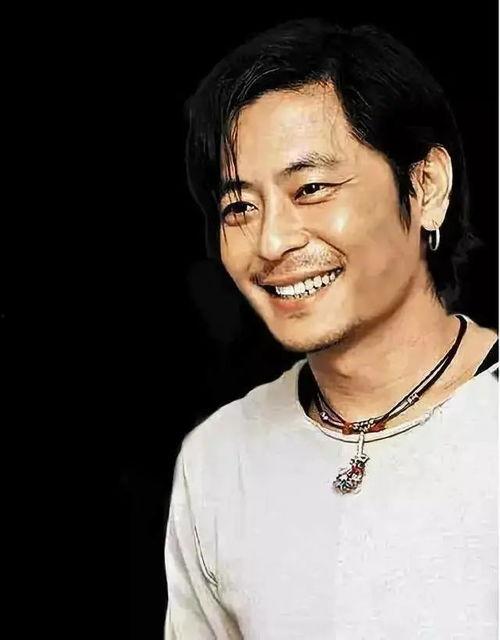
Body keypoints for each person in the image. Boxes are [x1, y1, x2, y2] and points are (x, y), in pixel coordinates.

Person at [164, 18, 498, 639]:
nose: (271, 241)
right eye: (240, 206)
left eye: (311, 188)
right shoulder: (217, 462)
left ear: (426, 186)